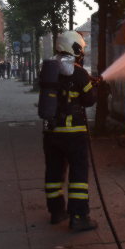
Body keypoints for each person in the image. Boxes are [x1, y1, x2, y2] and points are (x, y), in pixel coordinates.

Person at [40, 30, 98, 231]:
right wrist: (94, 86)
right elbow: (89, 100)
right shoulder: (79, 72)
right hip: (74, 134)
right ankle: (79, 216)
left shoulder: (47, 69)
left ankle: (56, 212)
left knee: (54, 172)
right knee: (78, 175)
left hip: (51, 133)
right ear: (74, 48)